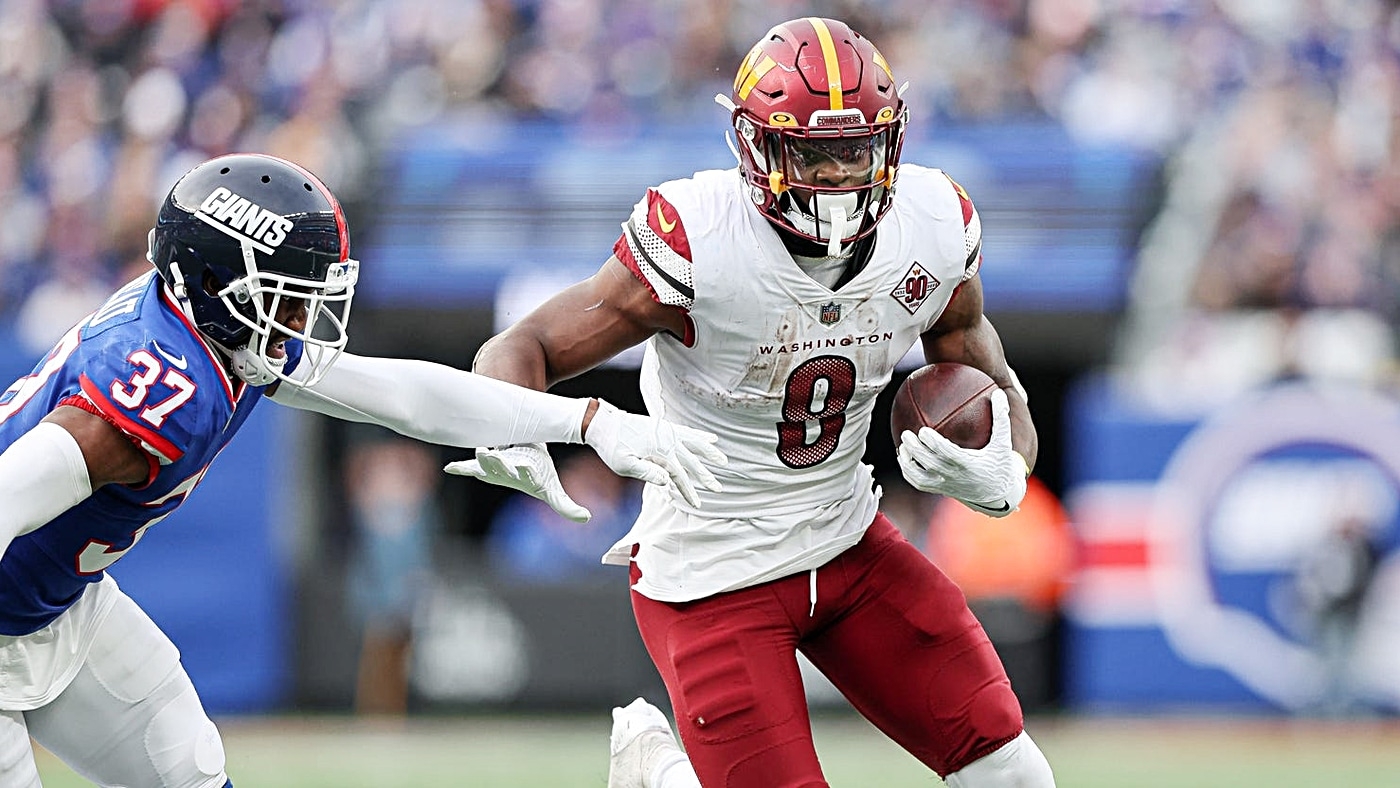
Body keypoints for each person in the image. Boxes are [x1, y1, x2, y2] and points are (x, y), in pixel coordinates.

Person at [0, 153, 725, 788]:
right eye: (289, 288)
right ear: (224, 281)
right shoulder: (160, 388)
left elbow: (402, 395)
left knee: (188, 770)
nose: (306, 308)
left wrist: (585, 422)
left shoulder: (218, 333)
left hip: (64, 603)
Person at [461, 16, 1054, 788]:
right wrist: (516, 431)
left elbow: (993, 379)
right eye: (814, 152)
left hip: (848, 541)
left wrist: (1009, 472)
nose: (840, 174)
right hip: (713, 572)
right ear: (756, 147)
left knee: (1015, 776)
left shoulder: (933, 224)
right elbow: (523, 345)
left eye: (857, 149)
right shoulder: (699, 237)